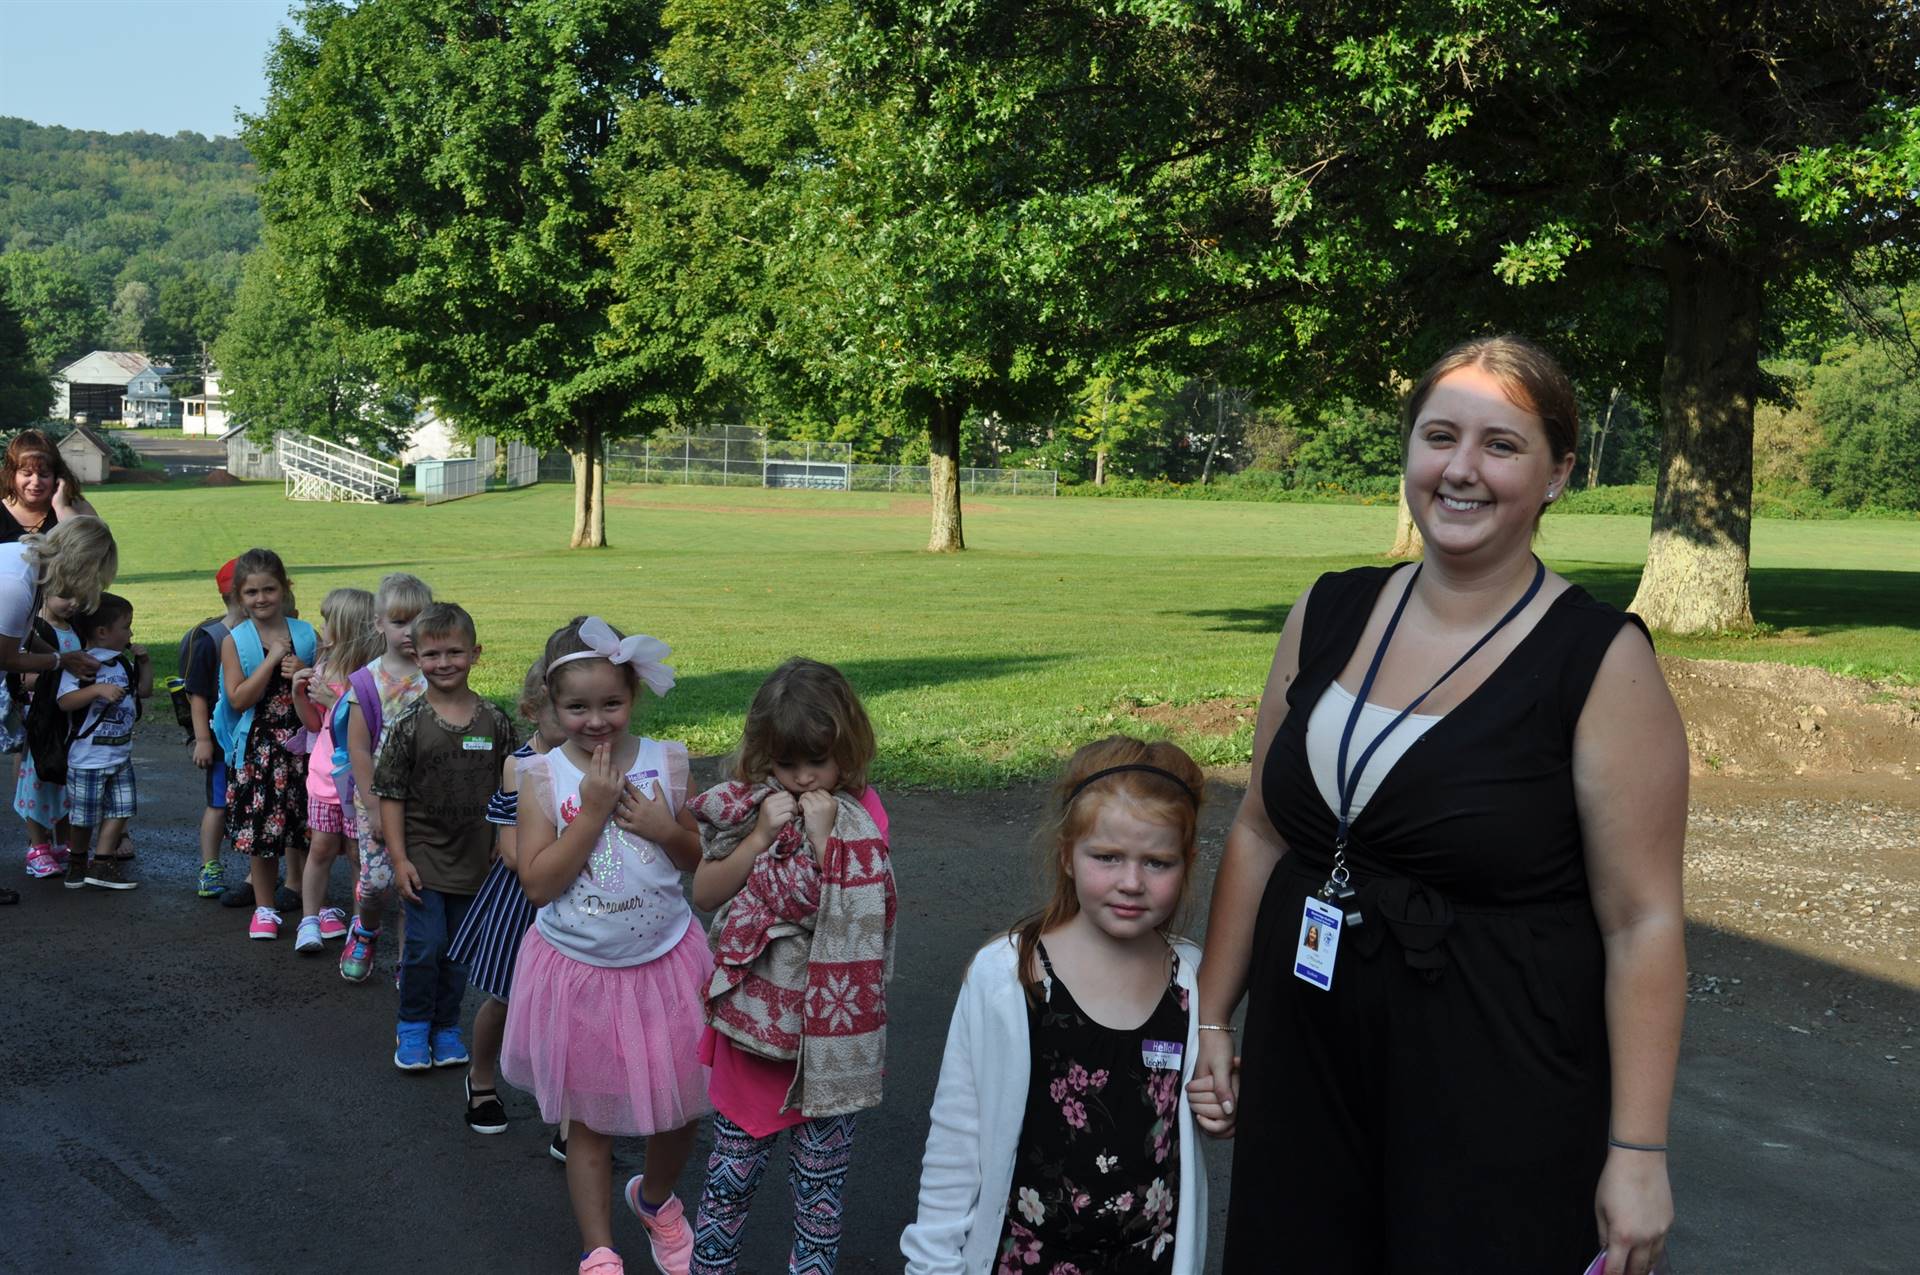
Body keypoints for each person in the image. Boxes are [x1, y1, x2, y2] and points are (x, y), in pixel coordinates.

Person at [1187, 335, 1687, 1275]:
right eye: (1440, 435)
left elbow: (1643, 920)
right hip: (1308, 1061)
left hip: (1498, 1083)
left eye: (1501, 445)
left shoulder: (1600, 660)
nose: (1461, 469)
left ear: (1557, 473)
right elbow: (1261, 827)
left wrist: (1639, 1152)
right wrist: (1213, 1017)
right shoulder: (1328, 611)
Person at [901, 736, 1211, 1275]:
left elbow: (1198, 1110)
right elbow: (957, 1136)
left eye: (1157, 862)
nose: (1131, 882)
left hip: (1150, 1261)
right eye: (1107, 857)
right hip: (1025, 1262)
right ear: (1067, 854)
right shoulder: (1010, 977)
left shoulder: (1193, 980)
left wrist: (1222, 1104)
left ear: (1187, 864)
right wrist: (931, 1263)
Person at [502, 616, 709, 1275]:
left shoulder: (667, 761)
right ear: (551, 705)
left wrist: (661, 825)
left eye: (611, 703)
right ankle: (600, 1250)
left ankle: (653, 1198)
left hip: (666, 965)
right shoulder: (538, 776)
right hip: (580, 972)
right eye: (577, 707)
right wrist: (591, 812)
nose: (596, 720)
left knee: (679, 1107)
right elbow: (537, 882)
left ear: (633, 696)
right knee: (587, 1119)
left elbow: (697, 857)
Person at [688, 657, 894, 1275]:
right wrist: (756, 839)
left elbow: (866, 908)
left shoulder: (862, 814)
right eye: (786, 764)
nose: (804, 779)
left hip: (826, 1046)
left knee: (820, 1200)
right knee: (728, 1188)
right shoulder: (751, 808)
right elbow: (705, 893)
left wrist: (828, 839)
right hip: (752, 1037)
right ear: (762, 757)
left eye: (818, 762)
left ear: (847, 750)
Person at [372, 602, 516, 1069]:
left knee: (459, 952)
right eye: (433, 655)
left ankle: (447, 1026)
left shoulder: (495, 721)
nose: (444, 663)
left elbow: (515, 785)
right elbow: (390, 794)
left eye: (455, 652)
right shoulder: (409, 724)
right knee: (424, 947)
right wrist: (398, 859)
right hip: (423, 860)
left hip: (479, 861)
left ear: (475, 654)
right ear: (417, 658)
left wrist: (506, 838)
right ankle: (412, 1026)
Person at [448, 656, 567, 1136]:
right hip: (524, 901)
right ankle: (481, 1075)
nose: (578, 723)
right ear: (534, 711)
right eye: (563, 712)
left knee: (568, 1005)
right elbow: (515, 855)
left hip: (582, 897)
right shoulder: (521, 765)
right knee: (504, 995)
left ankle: (568, 1109)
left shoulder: (595, 761)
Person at [0, 516, 115, 906]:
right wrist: (60, 662)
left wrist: (60, 656)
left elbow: (20, 639)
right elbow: (7, 657)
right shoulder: (18, 582)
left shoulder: (30, 570)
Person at [214, 547, 316, 940]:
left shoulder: (305, 634)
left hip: (303, 742)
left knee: (305, 825)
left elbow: (323, 685)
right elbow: (239, 698)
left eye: (269, 590)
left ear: (285, 588)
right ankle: (265, 909)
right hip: (259, 748)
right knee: (263, 832)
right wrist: (272, 661)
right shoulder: (234, 640)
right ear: (239, 596)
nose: (261, 599)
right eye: (252, 592)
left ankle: (311, 906)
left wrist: (303, 672)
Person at [337, 572, 432, 984]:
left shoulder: (439, 673)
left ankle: (407, 961)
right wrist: (373, 806)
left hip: (426, 801)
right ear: (379, 624)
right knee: (376, 883)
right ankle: (365, 930)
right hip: (377, 799)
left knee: (416, 887)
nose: (410, 631)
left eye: (419, 620)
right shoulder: (367, 682)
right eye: (398, 621)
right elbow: (359, 748)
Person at [286, 587, 378, 950]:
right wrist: (298, 695)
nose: (321, 627)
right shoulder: (325, 667)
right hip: (324, 780)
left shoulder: (369, 679)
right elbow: (313, 724)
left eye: (327, 621)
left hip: (359, 784)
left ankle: (360, 921)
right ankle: (309, 920)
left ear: (346, 627)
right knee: (320, 850)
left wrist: (334, 699)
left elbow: (371, 724)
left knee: (359, 855)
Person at [55, 593, 151, 890]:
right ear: (102, 633)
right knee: (83, 817)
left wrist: (144, 661)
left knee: (122, 808)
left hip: (120, 754)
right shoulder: (83, 665)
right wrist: (97, 690)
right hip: (87, 757)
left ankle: (102, 863)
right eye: (126, 626)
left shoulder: (122, 663)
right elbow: (65, 701)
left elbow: (144, 691)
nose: (130, 633)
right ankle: (77, 861)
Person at [186, 559, 247, 899]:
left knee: (256, 804)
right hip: (223, 740)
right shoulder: (212, 639)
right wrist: (203, 739)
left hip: (257, 739)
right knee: (218, 804)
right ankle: (210, 867)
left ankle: (258, 872)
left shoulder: (266, 635)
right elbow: (198, 695)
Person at [15, 590, 82, 879]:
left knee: (66, 781)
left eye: (78, 596)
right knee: (38, 780)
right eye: (65, 595)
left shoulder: (75, 628)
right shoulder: (36, 630)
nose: (73, 603)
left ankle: (63, 842)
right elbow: (24, 678)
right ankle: (38, 847)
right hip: (44, 721)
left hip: (69, 721)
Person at [0, 430, 99, 544]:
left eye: (44, 474)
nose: (36, 481)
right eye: (27, 474)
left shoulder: (79, 507)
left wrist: (62, 509)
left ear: (57, 476)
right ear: (12, 475)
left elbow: (96, 552)